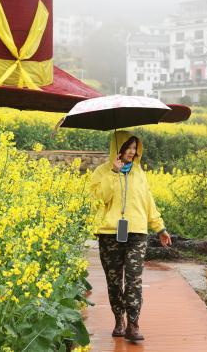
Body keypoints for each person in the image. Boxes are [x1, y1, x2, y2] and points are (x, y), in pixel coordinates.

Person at [89, 130, 172, 342]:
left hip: (136, 233)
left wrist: (159, 228)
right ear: (118, 148)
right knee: (114, 281)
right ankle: (119, 320)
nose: (132, 152)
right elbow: (99, 199)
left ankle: (133, 324)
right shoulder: (101, 172)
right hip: (110, 234)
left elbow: (148, 201)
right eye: (128, 147)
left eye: (135, 148)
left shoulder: (139, 173)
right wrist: (113, 173)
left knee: (134, 279)